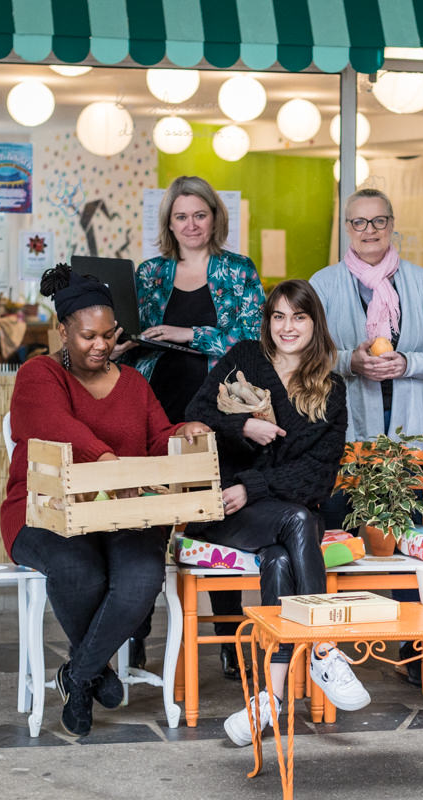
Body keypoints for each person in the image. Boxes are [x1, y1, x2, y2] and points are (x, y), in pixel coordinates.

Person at [178, 279, 370, 747]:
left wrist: (254, 484)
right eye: (278, 316)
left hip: (272, 507)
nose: (288, 327)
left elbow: (320, 473)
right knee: (301, 521)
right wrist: (243, 425)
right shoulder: (245, 357)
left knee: (283, 556)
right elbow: (196, 410)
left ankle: (270, 698)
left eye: (299, 317)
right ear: (267, 322)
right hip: (227, 511)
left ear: (314, 324)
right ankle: (324, 647)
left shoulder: (331, 388)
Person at [0, 264, 185, 737]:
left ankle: (79, 675)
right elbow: (51, 426)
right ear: (62, 331)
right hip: (43, 512)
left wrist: (185, 434)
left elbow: (159, 437)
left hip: (123, 510)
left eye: (108, 335)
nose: (100, 345)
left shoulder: (134, 384)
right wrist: (103, 457)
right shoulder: (38, 374)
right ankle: (95, 670)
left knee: (141, 576)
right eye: (87, 336)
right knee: (80, 570)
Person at [113, 175, 266, 679]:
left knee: (213, 519)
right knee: (145, 519)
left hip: (218, 411)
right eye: (181, 216)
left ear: (215, 218)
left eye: (200, 214)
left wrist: (189, 332)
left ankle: (226, 640)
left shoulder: (237, 269)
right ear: (169, 222)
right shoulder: (151, 273)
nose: (191, 224)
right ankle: (134, 634)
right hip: (155, 408)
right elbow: (130, 331)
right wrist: (121, 345)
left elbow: (251, 339)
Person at [310, 187, 423, 684]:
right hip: (344, 433)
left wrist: (407, 362)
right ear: (346, 229)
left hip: (410, 437)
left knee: (409, 537)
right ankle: (336, 647)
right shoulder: (324, 284)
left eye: (378, 221)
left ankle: (415, 649)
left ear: (392, 225)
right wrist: (347, 361)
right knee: (343, 536)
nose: (369, 230)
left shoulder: (419, 281)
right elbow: (301, 353)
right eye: (358, 222)